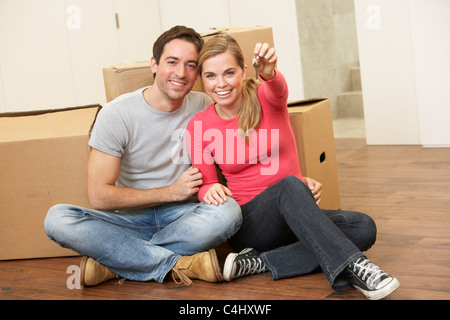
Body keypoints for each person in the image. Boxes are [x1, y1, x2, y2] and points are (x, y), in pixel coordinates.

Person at [186, 34, 400, 300]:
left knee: (363, 226)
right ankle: (356, 266)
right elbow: (205, 184)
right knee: (289, 186)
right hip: (252, 225)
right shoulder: (198, 126)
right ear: (201, 80)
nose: (221, 84)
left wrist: (269, 72)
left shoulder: (265, 98)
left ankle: (261, 262)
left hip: (297, 216)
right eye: (211, 76)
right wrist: (209, 190)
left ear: (243, 71)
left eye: (229, 73)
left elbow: (277, 88)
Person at [44, 26, 243, 287]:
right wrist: (170, 192)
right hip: (129, 219)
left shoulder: (205, 105)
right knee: (57, 219)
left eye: (191, 65)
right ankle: (179, 264)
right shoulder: (116, 115)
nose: (181, 73)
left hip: (186, 217)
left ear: (198, 73)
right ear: (154, 64)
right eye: (172, 62)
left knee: (229, 212)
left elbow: (250, 136)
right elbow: (98, 196)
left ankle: (118, 261)